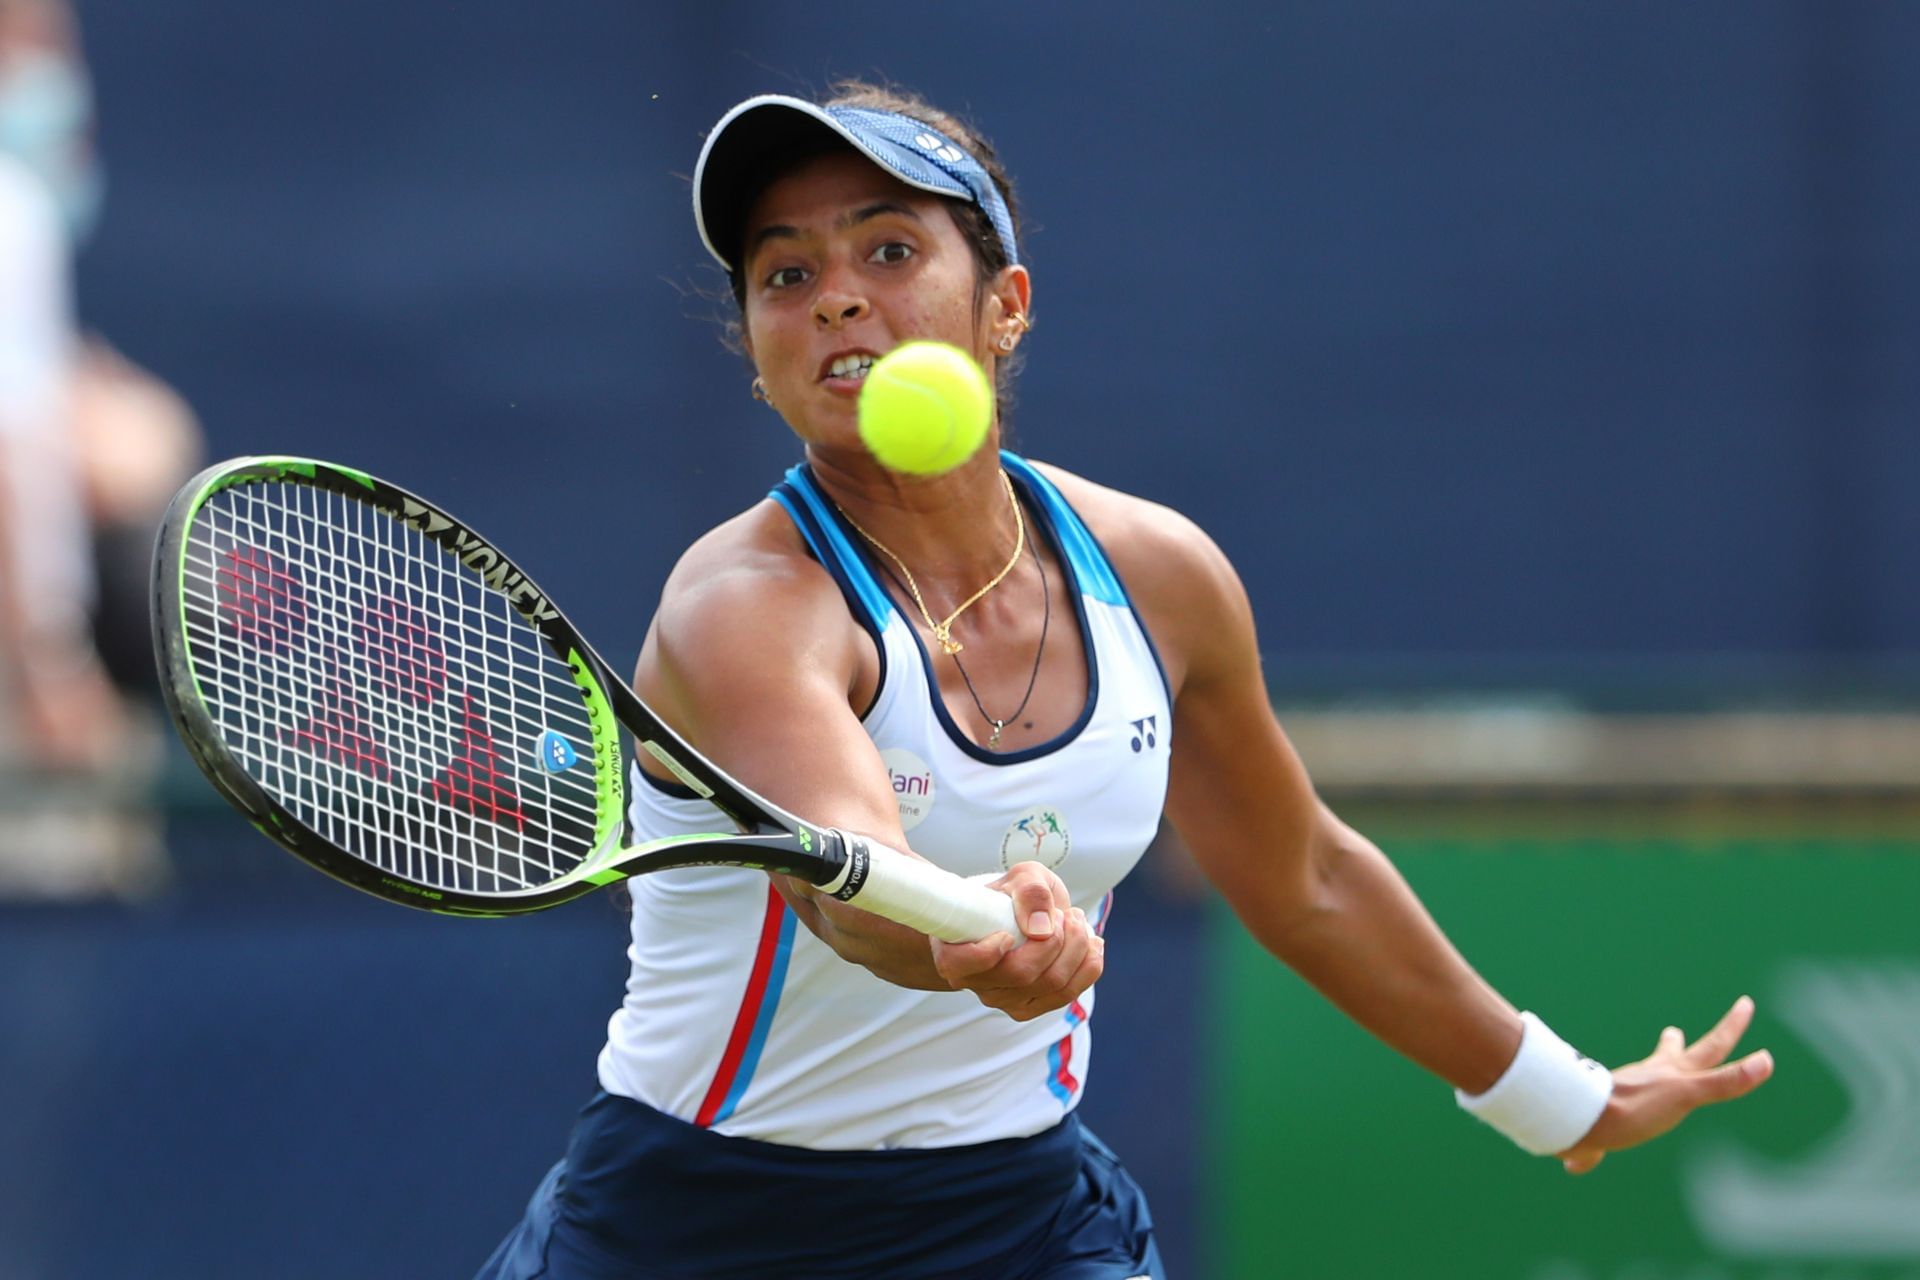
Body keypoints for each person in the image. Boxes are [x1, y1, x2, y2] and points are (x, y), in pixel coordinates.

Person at [477, 82, 1772, 1279]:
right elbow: (853, 896)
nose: (834, 298)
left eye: (889, 250)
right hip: (693, 1226)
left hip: (1022, 1223)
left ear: (1007, 304)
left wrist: (1565, 1099)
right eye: (785, 272)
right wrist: (978, 945)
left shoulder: (1159, 577)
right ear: (756, 347)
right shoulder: (741, 612)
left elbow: (1302, 873)